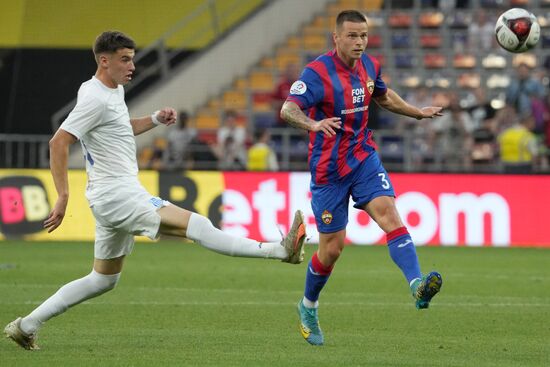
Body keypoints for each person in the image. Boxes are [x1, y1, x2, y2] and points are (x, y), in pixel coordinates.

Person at [4, 31, 306, 351]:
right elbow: (59, 141)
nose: (132, 65)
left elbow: (120, 126)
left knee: (103, 279)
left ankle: (25, 325)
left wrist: (155, 119)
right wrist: (63, 196)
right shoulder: (94, 98)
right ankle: (279, 251)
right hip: (117, 194)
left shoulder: (109, 91)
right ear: (104, 61)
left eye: (133, 58)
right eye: (124, 59)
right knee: (197, 225)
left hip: (112, 195)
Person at [280, 10, 443, 346]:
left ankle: (416, 286)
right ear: (336, 37)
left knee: (389, 214)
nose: (359, 42)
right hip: (328, 172)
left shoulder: (370, 66)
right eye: (352, 36)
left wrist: (417, 112)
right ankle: (308, 306)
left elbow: (382, 96)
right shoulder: (316, 73)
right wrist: (313, 124)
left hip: (363, 157)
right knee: (332, 250)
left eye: (363, 36)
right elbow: (288, 109)